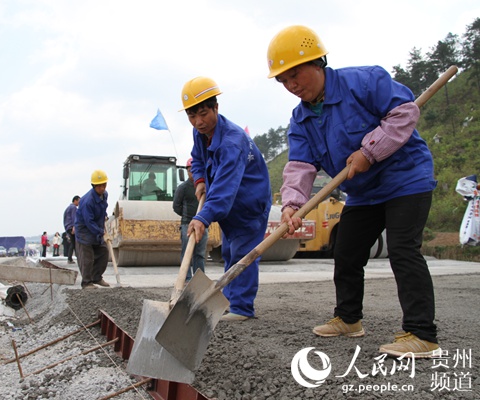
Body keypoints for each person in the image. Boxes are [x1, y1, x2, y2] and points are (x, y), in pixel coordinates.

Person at [267, 25, 440, 358]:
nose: (292, 85)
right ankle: (349, 318)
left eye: (296, 75)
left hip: (406, 179)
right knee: (346, 251)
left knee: (403, 249)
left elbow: (406, 112)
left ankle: (422, 333)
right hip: (363, 192)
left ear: (318, 62)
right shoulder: (300, 119)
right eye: (284, 81)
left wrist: (370, 150)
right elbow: (301, 166)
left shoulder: (364, 81)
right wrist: (292, 205)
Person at [181, 77, 272, 321]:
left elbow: (223, 190)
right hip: (229, 204)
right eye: (192, 116)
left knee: (243, 252)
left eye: (203, 114)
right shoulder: (200, 133)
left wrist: (203, 217)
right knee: (230, 251)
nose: (198, 122)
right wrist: (199, 181)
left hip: (249, 203)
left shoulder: (232, 141)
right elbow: (197, 159)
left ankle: (242, 308)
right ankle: (230, 302)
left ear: (215, 108)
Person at [173, 157, 208, 282]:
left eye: (195, 170)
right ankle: (186, 278)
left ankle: (199, 279)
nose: (192, 173)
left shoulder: (205, 188)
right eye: (190, 170)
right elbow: (176, 206)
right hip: (187, 225)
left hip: (203, 225)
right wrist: (187, 217)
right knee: (186, 253)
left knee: (199, 254)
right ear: (187, 172)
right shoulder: (183, 188)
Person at [75, 170, 110, 289]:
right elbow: (88, 222)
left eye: (104, 185)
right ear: (94, 185)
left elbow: (102, 208)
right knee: (87, 258)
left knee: (103, 252)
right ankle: (86, 283)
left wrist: (104, 216)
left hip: (96, 227)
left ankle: (97, 277)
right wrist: (101, 232)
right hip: (85, 230)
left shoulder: (104, 195)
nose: (102, 188)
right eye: (99, 186)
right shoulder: (87, 201)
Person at [63, 195, 80, 264]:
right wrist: (74, 227)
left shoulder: (68, 208)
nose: (79, 203)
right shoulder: (73, 208)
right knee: (74, 243)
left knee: (73, 243)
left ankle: (73, 258)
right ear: (75, 200)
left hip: (68, 227)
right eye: (79, 201)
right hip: (72, 227)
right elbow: (74, 218)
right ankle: (71, 258)